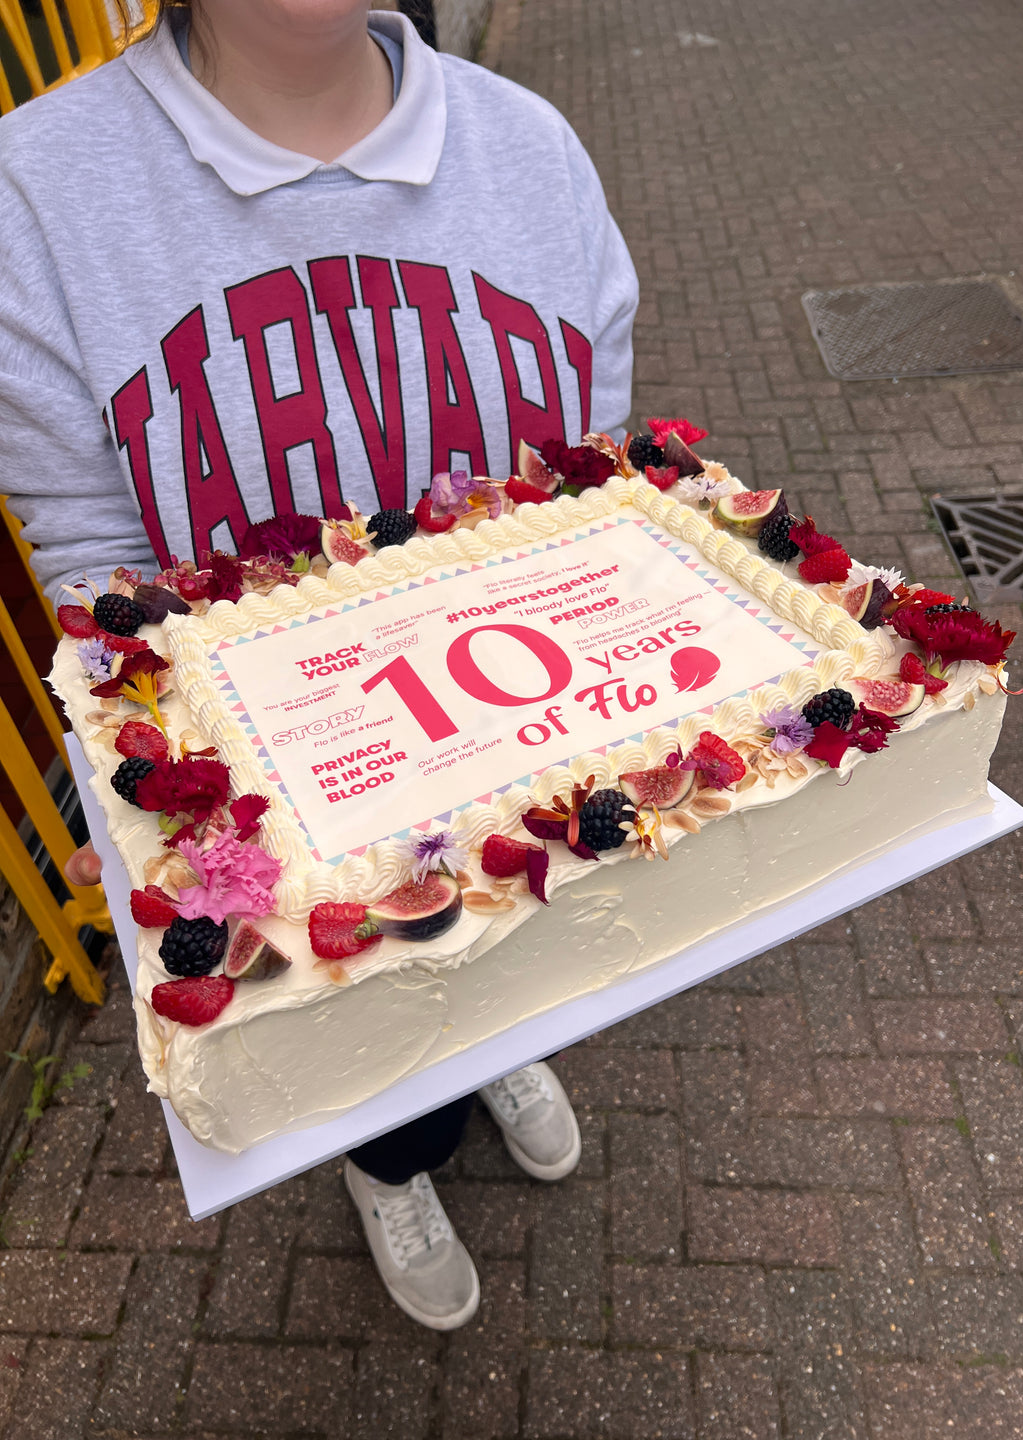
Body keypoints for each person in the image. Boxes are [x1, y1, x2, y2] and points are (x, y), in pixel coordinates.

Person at [0, 1, 637, 1329]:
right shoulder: (37, 195)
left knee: (531, 966)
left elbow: (599, 488)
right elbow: (98, 578)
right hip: (297, 811)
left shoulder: (533, 148)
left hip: (528, 759)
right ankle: (390, 1164)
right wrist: (138, 798)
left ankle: (510, 1054)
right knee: (383, 1059)